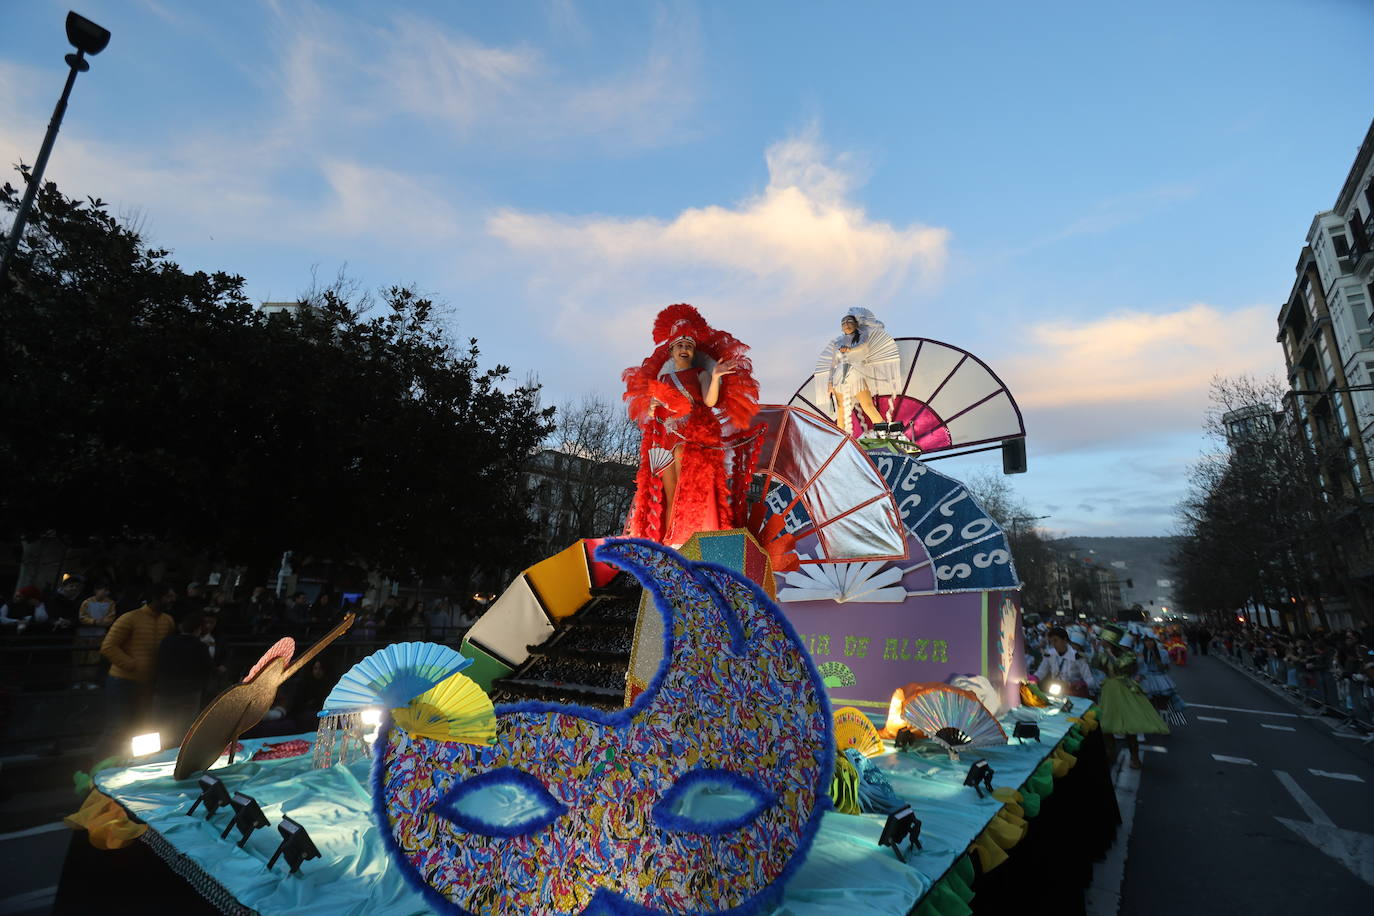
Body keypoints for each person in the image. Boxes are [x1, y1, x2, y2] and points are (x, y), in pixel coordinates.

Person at [621, 304, 761, 545]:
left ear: (693, 351)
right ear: (672, 350)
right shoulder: (663, 379)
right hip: (667, 436)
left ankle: (688, 532)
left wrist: (715, 376)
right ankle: (669, 539)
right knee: (669, 489)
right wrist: (654, 408)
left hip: (691, 436)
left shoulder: (700, 374)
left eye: (688, 346)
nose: (684, 349)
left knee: (688, 480)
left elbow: (710, 400)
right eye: (680, 346)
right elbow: (656, 411)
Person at [95, 585, 177, 761]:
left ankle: (133, 764)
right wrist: (131, 665)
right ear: (156, 597)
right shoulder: (130, 618)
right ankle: (100, 769)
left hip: (148, 682)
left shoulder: (167, 620)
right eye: (168, 596)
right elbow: (108, 647)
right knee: (116, 727)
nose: (172, 600)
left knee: (141, 727)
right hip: (122, 680)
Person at [813, 307, 902, 437]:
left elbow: (863, 347)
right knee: (842, 410)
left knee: (867, 405)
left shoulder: (862, 336)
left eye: (849, 321)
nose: (846, 324)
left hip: (856, 373)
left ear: (855, 324)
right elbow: (833, 364)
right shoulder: (837, 342)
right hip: (839, 376)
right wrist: (830, 382)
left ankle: (883, 431)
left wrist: (849, 350)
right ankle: (841, 436)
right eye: (843, 323)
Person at [1092, 624, 1169, 768]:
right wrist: (1097, 652)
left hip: (1124, 689)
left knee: (1129, 724)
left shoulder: (1129, 655)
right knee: (1106, 722)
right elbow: (1096, 665)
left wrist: (1109, 653)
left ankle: (1135, 757)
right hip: (1109, 690)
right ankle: (1110, 753)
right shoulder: (1103, 654)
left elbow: (1120, 666)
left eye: (1103, 640)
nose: (1100, 642)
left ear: (1110, 641)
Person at [152, 611, 214, 744]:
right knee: (184, 727)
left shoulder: (167, 642)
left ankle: (158, 751)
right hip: (189, 691)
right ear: (198, 630)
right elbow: (207, 667)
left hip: (165, 689)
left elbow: (158, 662)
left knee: (160, 724)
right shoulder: (200, 646)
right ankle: (179, 752)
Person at [75, 583, 117, 689]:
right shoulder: (87, 602)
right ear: (96, 590)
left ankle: (90, 681)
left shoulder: (110, 603)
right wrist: (94, 622)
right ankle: (77, 681)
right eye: (104, 590)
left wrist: (100, 623)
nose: (106, 592)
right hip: (83, 634)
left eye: (107, 590)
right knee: (79, 657)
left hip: (99, 635)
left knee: (94, 658)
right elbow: (82, 617)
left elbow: (111, 618)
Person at [1034, 626, 1095, 697]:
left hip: (1073, 693)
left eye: (1056, 640)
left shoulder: (1077, 657)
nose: (1053, 644)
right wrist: (1035, 678)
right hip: (1055, 691)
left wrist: (1082, 684)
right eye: (1051, 642)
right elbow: (1041, 671)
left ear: (1065, 640)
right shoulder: (1050, 655)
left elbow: (1090, 680)